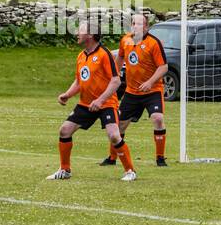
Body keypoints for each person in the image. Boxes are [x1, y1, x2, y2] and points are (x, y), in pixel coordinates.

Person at [47, 20, 136, 181]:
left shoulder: (104, 54)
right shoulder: (81, 56)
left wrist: (101, 101)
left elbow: (115, 81)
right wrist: (67, 94)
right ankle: (65, 170)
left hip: (106, 103)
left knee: (114, 136)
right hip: (86, 104)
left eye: (79, 31)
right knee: (64, 131)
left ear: (90, 35)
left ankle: (130, 171)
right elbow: (80, 81)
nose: (76, 34)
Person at [101, 13, 169, 167]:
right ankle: (112, 159)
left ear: (146, 27)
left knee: (157, 119)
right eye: (133, 23)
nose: (135, 26)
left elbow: (164, 67)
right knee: (119, 126)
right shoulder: (125, 40)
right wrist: (115, 75)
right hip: (132, 92)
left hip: (152, 91)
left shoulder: (154, 43)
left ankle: (160, 158)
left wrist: (150, 82)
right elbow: (120, 58)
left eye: (139, 23)